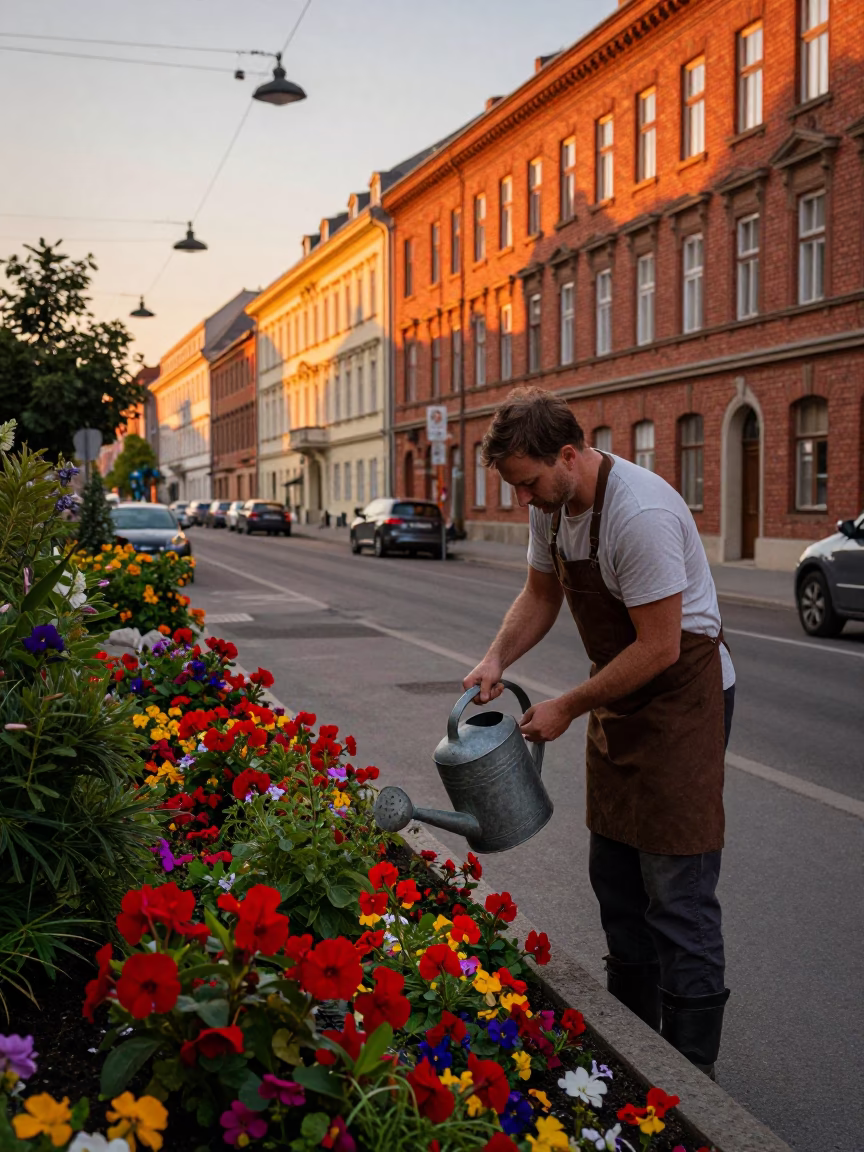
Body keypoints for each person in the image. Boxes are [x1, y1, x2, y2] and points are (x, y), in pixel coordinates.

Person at [464, 387, 735, 1079]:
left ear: (568, 454)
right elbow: (542, 594)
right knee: (614, 877)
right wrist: (498, 657)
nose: (523, 499)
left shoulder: (636, 513)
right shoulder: (553, 509)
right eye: (513, 487)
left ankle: (690, 1079)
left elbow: (660, 647)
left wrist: (569, 705)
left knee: (676, 885)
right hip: (621, 693)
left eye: (527, 483)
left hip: (682, 698)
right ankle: (636, 1052)